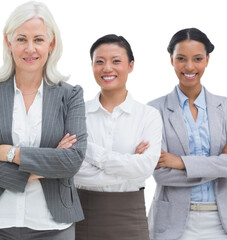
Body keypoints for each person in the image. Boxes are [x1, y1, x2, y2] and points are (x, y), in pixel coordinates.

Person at [0, 1, 87, 239]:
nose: (30, 48)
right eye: (21, 39)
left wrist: (9, 153)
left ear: (51, 44)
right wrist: (42, 168)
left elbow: (72, 161)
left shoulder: (70, 95)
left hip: (52, 225)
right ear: (8, 42)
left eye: (38, 40)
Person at [148, 28, 227, 240]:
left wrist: (180, 162)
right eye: (181, 58)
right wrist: (221, 162)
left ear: (207, 60)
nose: (189, 66)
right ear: (171, 59)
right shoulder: (155, 110)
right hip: (173, 223)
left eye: (197, 59)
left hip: (224, 222)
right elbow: (161, 173)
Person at [73, 34, 162, 240]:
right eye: (100, 62)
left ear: (130, 65)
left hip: (132, 217)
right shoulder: (76, 113)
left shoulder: (148, 115)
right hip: (83, 215)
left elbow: (145, 169)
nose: (107, 68)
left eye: (116, 61)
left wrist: (87, 150)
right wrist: (129, 164)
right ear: (92, 66)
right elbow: (72, 170)